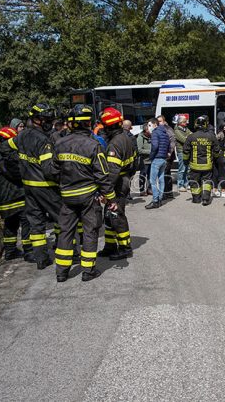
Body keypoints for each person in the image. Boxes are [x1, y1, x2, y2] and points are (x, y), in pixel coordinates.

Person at [48, 105, 117, 282]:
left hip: (67, 197)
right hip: (88, 197)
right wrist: (110, 198)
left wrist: (63, 185)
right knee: (90, 232)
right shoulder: (93, 145)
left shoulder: (59, 144)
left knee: (65, 232)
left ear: (70, 123)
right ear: (88, 123)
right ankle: (88, 270)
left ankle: (61, 272)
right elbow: (102, 175)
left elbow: (52, 171)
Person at [6, 103, 61, 270]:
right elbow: (48, 169)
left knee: (36, 223)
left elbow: (4, 148)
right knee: (64, 218)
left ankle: (41, 259)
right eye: (46, 120)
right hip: (45, 187)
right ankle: (70, 254)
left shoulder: (21, 136)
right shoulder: (43, 140)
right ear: (36, 119)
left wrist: (20, 166)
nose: (49, 123)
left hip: (28, 187)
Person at [97, 107, 136, 260]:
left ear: (109, 126)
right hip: (124, 179)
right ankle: (110, 246)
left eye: (105, 127)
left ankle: (125, 247)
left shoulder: (115, 144)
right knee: (109, 215)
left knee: (116, 215)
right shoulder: (126, 137)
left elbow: (112, 173)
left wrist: (105, 192)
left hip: (118, 183)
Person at [0, 127, 32, 262]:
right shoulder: (2, 156)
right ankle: (29, 251)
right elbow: (14, 174)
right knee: (26, 221)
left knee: (11, 224)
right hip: (14, 196)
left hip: (5, 197)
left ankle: (10, 250)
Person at [183, 115, 220, 206]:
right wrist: (215, 158)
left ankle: (196, 199)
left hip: (194, 166)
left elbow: (186, 151)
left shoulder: (191, 137)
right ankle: (205, 199)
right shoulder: (211, 136)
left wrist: (185, 161)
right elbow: (216, 150)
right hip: (207, 165)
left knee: (194, 181)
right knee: (207, 181)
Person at [146, 117, 170, 209]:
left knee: (153, 181)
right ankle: (159, 199)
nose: (149, 127)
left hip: (156, 159)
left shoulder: (155, 133)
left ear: (155, 124)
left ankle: (155, 200)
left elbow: (155, 146)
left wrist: (151, 156)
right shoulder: (165, 133)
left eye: (149, 125)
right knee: (161, 179)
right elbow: (168, 146)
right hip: (163, 159)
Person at [157, 115, 176, 200]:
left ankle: (165, 193)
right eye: (157, 121)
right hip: (161, 155)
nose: (159, 123)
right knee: (166, 174)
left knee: (164, 174)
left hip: (167, 155)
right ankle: (168, 193)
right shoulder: (159, 130)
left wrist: (169, 152)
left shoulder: (168, 130)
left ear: (164, 122)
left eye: (160, 121)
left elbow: (172, 142)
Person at [174, 116, 191, 192]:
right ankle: (180, 185)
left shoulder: (185, 129)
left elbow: (192, 135)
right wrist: (188, 137)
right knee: (182, 169)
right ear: (180, 123)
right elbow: (184, 140)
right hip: (181, 151)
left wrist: (188, 137)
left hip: (187, 150)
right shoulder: (177, 131)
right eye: (184, 122)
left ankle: (186, 184)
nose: (186, 123)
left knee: (187, 169)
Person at [213, 124, 225, 196]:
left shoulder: (219, 135)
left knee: (216, 172)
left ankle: (215, 189)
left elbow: (215, 141)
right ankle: (223, 190)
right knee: (222, 173)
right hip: (223, 155)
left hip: (217, 154)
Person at [137, 124, 152, 196]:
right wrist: (150, 151)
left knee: (150, 176)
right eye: (150, 129)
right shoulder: (140, 137)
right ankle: (142, 190)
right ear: (146, 130)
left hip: (151, 160)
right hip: (144, 161)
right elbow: (139, 150)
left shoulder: (151, 136)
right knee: (143, 175)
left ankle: (149, 189)